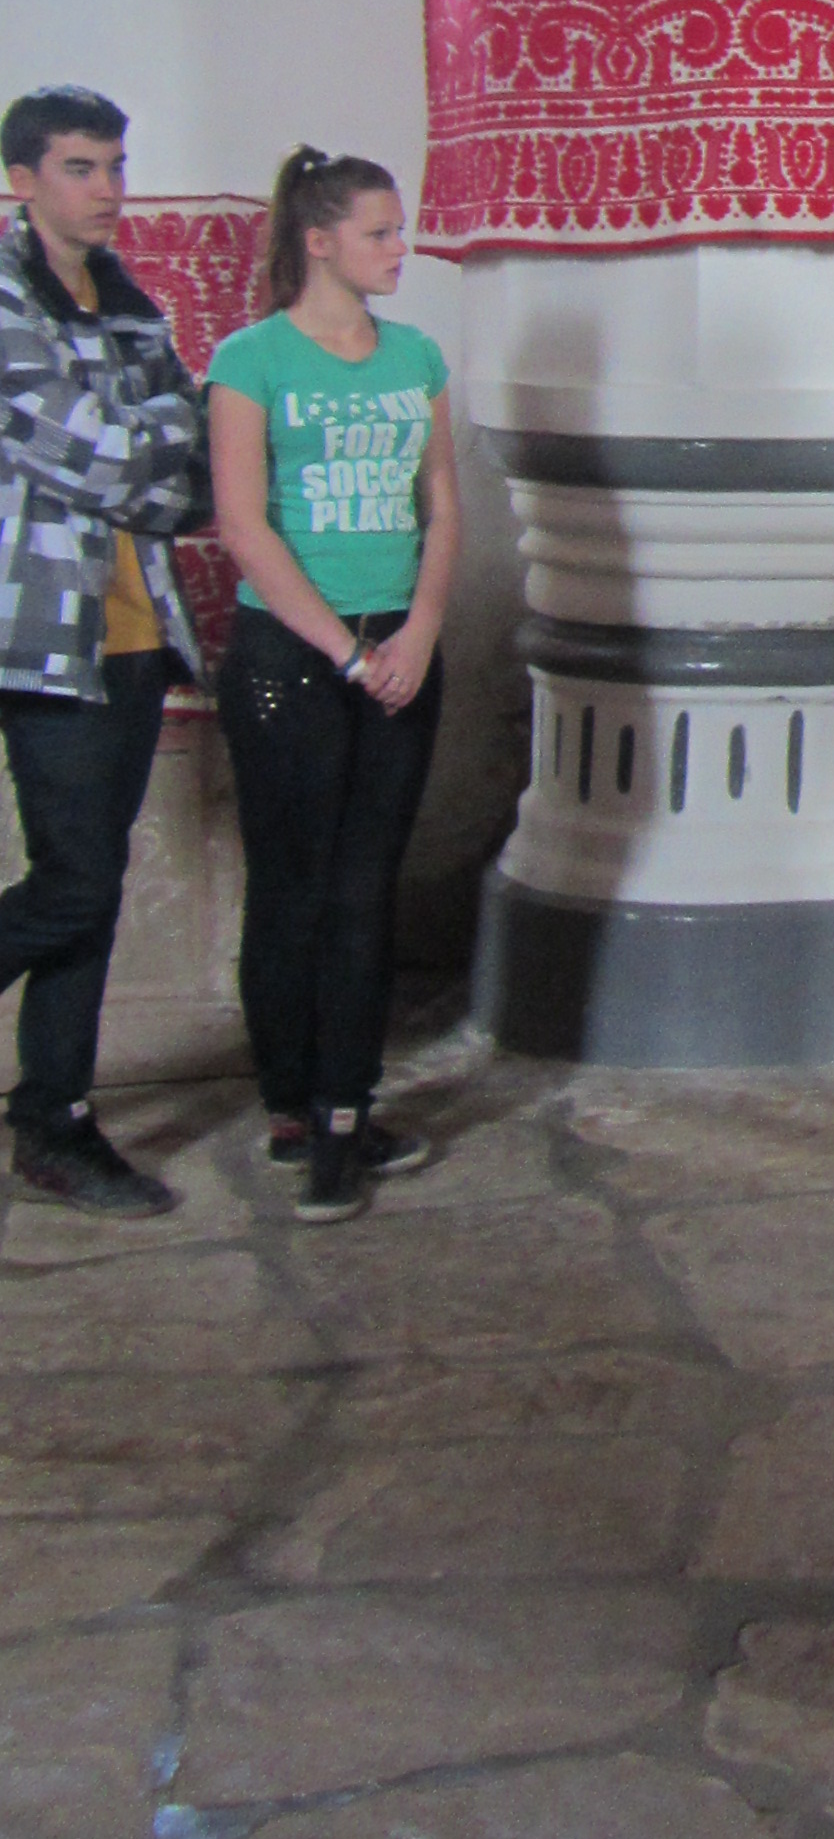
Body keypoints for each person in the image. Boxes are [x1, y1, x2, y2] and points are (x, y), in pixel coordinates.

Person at [207, 148, 460, 1226]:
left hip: (399, 646)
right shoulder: (251, 358)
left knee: (366, 888)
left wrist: (420, 630)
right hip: (290, 657)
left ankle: (348, 1107)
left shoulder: (415, 356)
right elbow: (243, 523)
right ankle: (293, 1105)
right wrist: (344, 654)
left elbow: (441, 505)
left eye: (400, 228)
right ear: (319, 242)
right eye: (380, 231)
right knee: (293, 888)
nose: (401, 247)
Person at [0, 85, 211, 1215]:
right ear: (22, 180)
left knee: (92, 886)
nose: (108, 189)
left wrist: (159, 439)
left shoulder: (127, 300)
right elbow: (102, 456)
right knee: (75, 882)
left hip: (138, 631)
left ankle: (56, 1123)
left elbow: (189, 483)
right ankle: (52, 1119)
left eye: (116, 165)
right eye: (81, 167)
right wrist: (168, 431)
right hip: (46, 637)